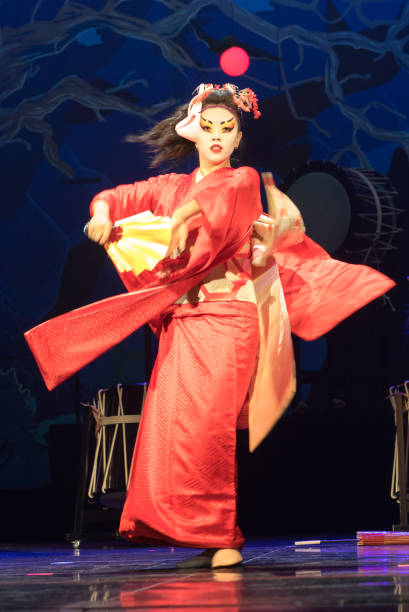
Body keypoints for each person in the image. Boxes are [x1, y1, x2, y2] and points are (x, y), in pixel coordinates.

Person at [25, 83, 395, 569]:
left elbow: (219, 215)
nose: (217, 136)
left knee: (208, 428)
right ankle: (203, 535)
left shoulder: (241, 181)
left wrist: (185, 216)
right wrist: (99, 216)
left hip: (230, 321)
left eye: (228, 128)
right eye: (207, 127)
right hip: (186, 323)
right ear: (193, 133)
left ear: (239, 139)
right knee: (171, 430)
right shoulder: (171, 187)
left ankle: (222, 534)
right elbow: (115, 196)